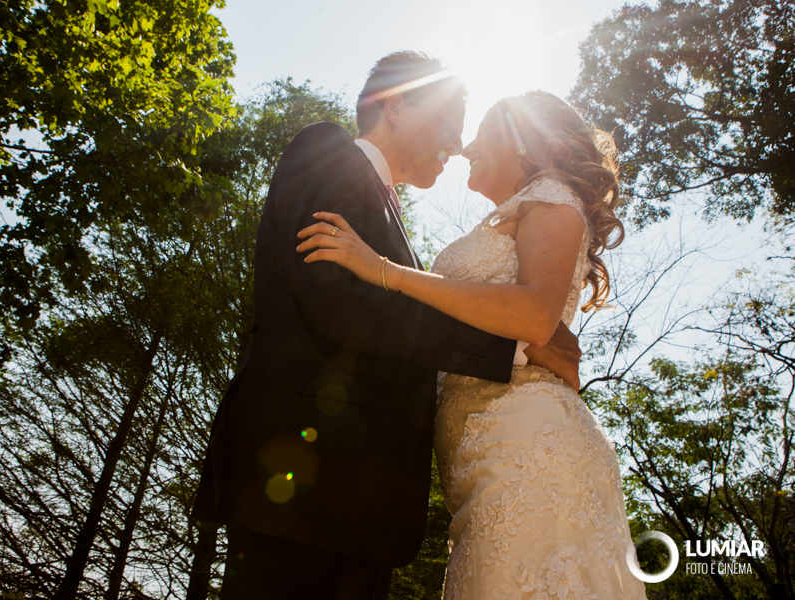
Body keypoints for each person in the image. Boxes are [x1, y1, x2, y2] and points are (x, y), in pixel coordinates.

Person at [192, 52, 582, 600]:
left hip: (363, 508)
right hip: (298, 485)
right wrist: (513, 350)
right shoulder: (328, 151)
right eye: (449, 121)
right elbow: (338, 301)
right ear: (396, 107)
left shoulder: (393, 223)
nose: (457, 143)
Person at [298, 91, 649, 598]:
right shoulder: (518, 211)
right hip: (481, 458)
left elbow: (534, 315)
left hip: (527, 446)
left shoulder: (552, 195)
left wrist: (387, 272)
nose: (466, 147)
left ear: (525, 140)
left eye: (484, 131)